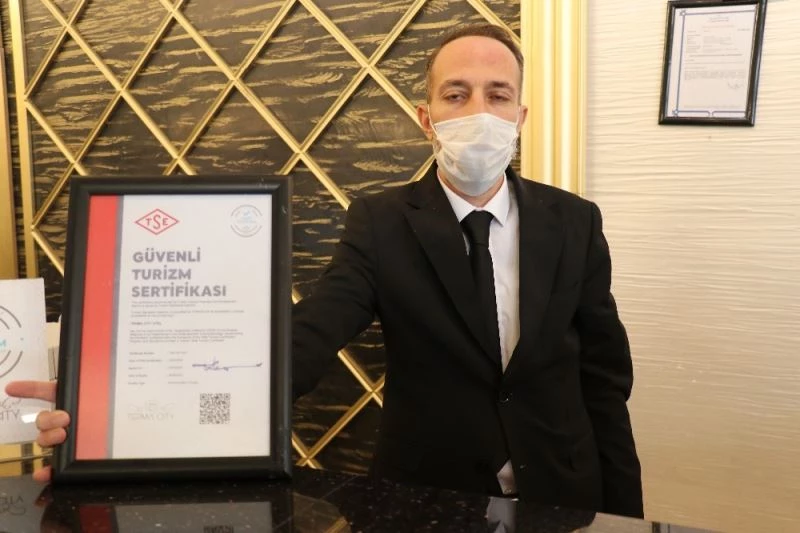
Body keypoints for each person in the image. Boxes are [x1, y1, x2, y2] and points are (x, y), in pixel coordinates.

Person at [7, 23, 643, 519]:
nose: (478, 110)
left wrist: (626, 514)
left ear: (520, 116)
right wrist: (115, 414)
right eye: (456, 94)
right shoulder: (381, 222)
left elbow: (604, 381)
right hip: (425, 503)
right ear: (425, 117)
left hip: (563, 500)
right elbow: (306, 341)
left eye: (497, 94)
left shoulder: (575, 222)